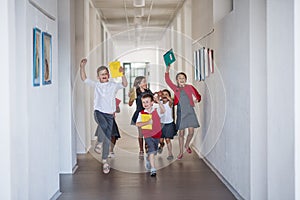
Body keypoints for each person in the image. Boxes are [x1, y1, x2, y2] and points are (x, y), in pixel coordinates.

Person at [80, 58, 128, 174]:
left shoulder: (113, 85)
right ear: (98, 77)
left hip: (110, 115)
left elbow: (125, 84)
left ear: (109, 75)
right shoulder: (96, 85)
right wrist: (82, 67)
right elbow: (84, 79)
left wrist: (122, 74)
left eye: (106, 74)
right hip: (98, 112)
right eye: (102, 74)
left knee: (108, 139)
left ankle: (105, 161)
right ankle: (99, 142)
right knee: (103, 125)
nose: (104, 76)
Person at [165, 65, 201, 160]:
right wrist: (167, 69)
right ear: (177, 80)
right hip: (181, 112)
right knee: (181, 133)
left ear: (185, 79)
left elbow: (198, 96)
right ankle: (181, 152)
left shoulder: (190, 87)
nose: (181, 79)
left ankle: (187, 145)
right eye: (179, 78)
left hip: (190, 111)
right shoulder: (175, 88)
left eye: (183, 78)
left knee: (191, 132)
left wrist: (197, 99)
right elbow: (167, 80)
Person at [136, 93, 165, 177]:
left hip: (157, 134)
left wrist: (159, 102)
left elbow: (163, 111)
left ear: (152, 102)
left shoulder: (156, 110)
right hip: (147, 135)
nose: (145, 104)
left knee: (154, 150)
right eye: (143, 102)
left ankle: (148, 158)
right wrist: (147, 122)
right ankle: (153, 169)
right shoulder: (141, 113)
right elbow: (138, 124)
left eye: (147, 102)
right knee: (151, 149)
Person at [129, 76, 153, 159]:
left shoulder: (148, 91)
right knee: (141, 133)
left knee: (147, 132)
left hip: (148, 113)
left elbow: (153, 100)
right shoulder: (135, 92)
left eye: (145, 81)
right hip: (139, 114)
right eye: (144, 81)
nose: (145, 83)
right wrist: (131, 97)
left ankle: (147, 147)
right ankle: (141, 149)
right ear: (139, 84)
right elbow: (130, 104)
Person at [157, 89, 177, 160]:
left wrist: (168, 97)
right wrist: (159, 95)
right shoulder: (160, 102)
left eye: (166, 94)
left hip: (169, 124)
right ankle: (161, 146)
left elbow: (172, 101)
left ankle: (170, 154)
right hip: (161, 124)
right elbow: (155, 100)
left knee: (167, 139)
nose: (164, 96)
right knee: (161, 140)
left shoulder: (169, 103)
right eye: (163, 94)